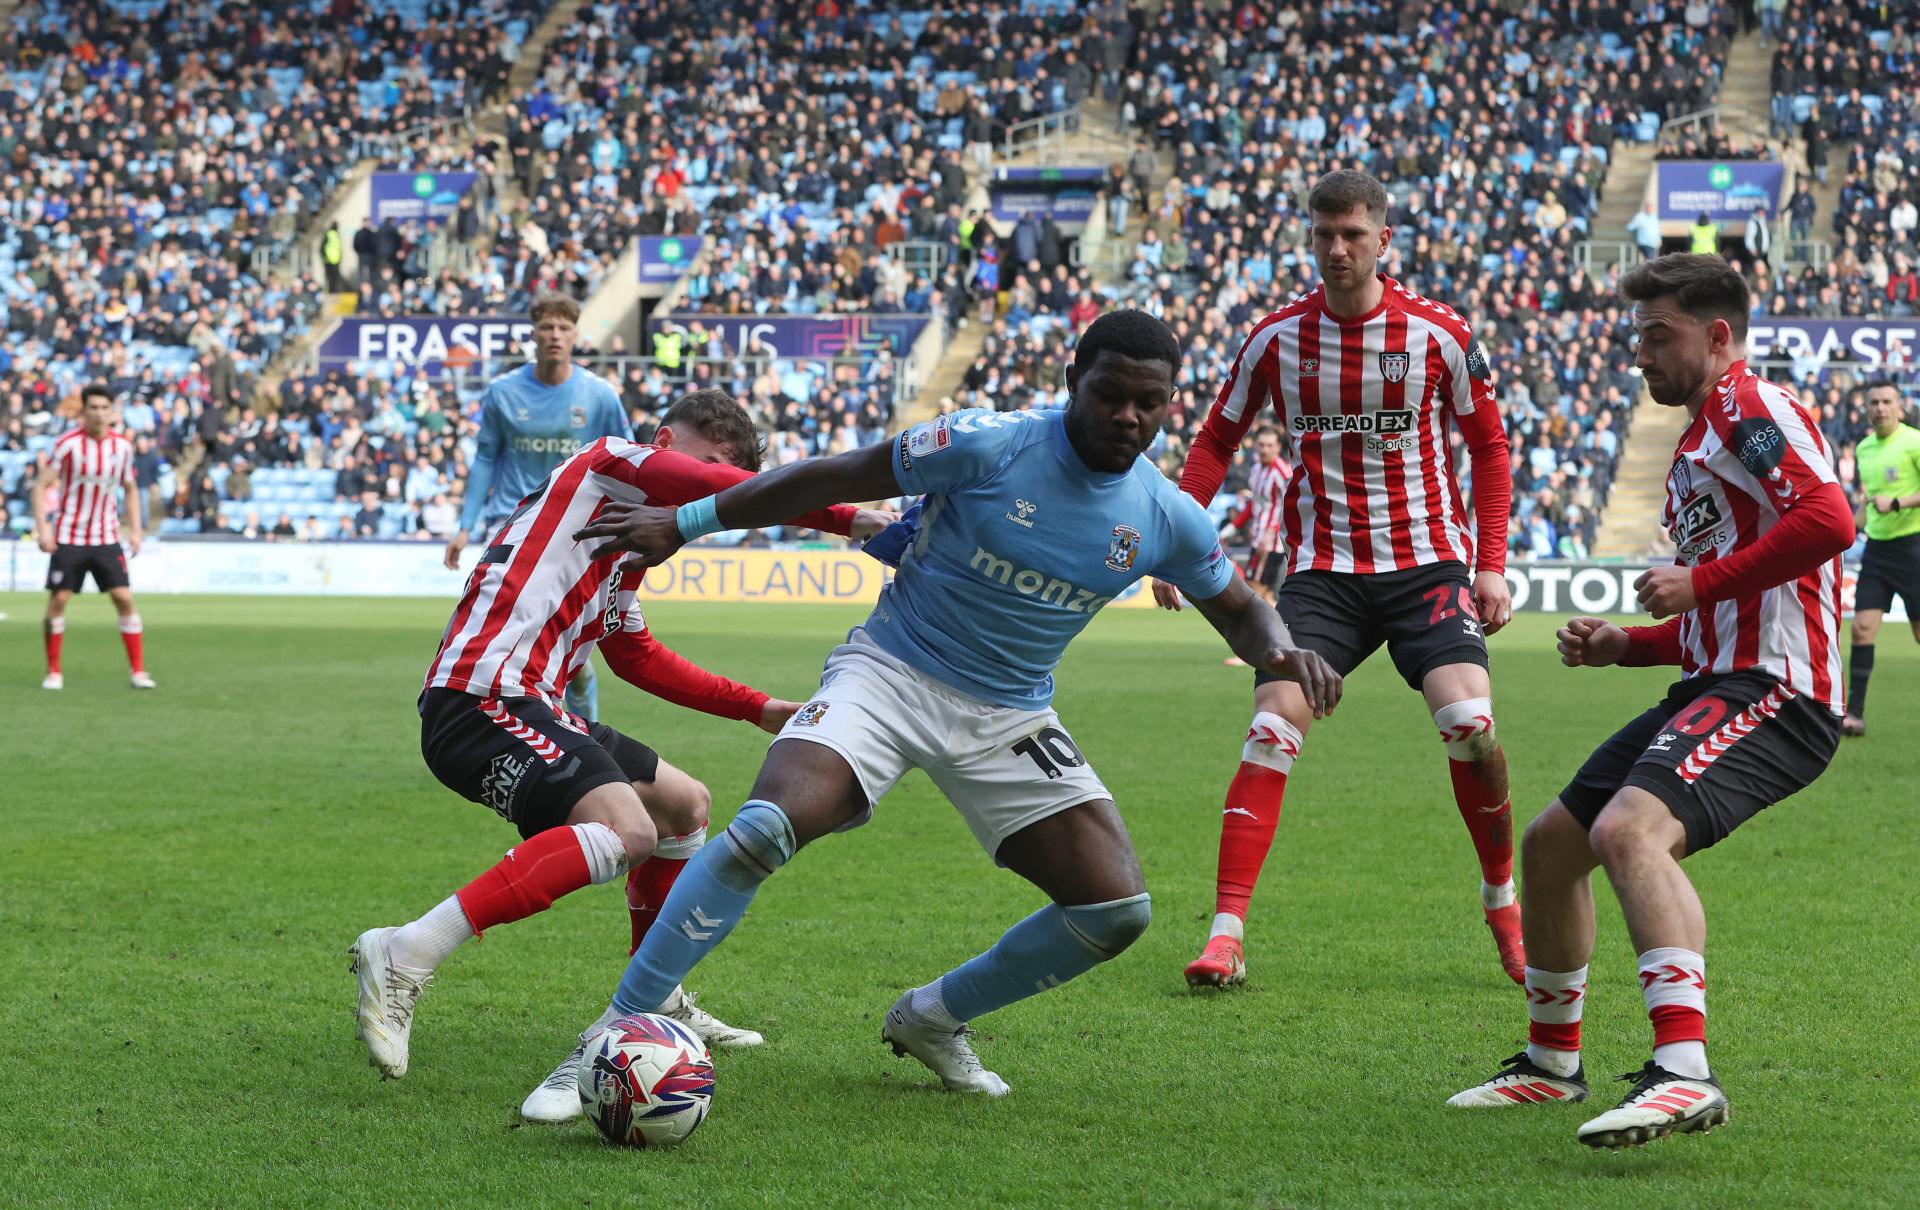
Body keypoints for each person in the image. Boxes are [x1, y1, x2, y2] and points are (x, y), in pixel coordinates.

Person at [567, 310, 1343, 1096]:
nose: (1128, 417)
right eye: (1111, 394)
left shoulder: (1165, 514)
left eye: (1150, 403)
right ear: (1074, 381)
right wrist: (688, 521)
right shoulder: (988, 442)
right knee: (764, 828)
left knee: (1115, 911)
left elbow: (1241, 611)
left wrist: (1284, 651)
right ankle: (615, 1031)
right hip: (890, 673)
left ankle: (933, 1017)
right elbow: (836, 474)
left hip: (1010, 714)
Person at [348, 390, 894, 1109]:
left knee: (684, 805)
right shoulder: (611, 461)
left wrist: (756, 708)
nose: (713, 488)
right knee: (627, 830)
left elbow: (636, 657)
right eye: (709, 464)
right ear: (664, 442)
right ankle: (407, 950)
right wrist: (847, 517)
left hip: (533, 703)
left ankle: (655, 993)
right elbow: (715, 489)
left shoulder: (623, 547)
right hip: (480, 697)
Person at [1449, 254, 1854, 1149]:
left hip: (1781, 690)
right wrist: (1627, 645)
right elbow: (1722, 615)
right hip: (1718, 681)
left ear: (1718, 336)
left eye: (1658, 336)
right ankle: (1552, 1064)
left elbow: (1830, 521)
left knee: (1629, 832)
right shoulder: (1702, 437)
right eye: (1637, 337)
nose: (1640, 355)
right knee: (1551, 847)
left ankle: (1684, 1072)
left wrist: (1698, 581)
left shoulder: (1748, 406)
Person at [1154, 170, 1519, 989]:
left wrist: (1491, 564)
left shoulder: (1439, 334)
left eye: (1353, 234)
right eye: (1324, 234)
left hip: (1427, 566)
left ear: (1383, 239)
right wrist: (1176, 535)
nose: (1337, 249)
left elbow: (1489, 448)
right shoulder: (1275, 338)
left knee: (1470, 724)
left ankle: (1501, 898)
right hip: (1325, 574)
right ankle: (1225, 934)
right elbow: (1215, 441)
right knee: (1271, 726)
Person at [446, 292, 630, 724]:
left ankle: (579, 730)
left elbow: (629, 458)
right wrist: (465, 526)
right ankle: (504, 723)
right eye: (547, 327)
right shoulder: (503, 392)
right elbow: (485, 458)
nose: (555, 335)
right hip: (512, 527)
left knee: (570, 656)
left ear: (576, 334)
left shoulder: (600, 396)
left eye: (564, 328)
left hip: (575, 531)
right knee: (500, 640)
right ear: (533, 333)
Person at [33, 384, 153, 690]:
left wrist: (136, 530)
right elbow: (40, 486)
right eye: (93, 407)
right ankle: (53, 671)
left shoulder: (122, 447)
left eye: (104, 408)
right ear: (84, 411)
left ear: (112, 411)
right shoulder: (68, 445)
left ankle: (138, 671)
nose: (99, 413)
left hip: (106, 536)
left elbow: (130, 490)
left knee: (123, 598)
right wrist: (44, 530)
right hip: (69, 536)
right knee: (59, 600)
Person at [1842, 380, 1920, 736]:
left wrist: (1899, 503)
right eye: (1874, 402)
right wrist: (1846, 529)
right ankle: (1854, 715)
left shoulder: (1914, 441)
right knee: (1861, 628)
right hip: (1877, 549)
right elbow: (1870, 500)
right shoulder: (1864, 449)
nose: (1880, 408)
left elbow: (1890, 500)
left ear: (1899, 406)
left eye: (1887, 401)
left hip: (1914, 548)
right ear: (1867, 409)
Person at [1220, 425, 1291, 648]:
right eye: (1261, 444)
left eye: (1270, 445)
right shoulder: (1257, 469)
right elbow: (1253, 505)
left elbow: (1290, 505)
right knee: (1262, 596)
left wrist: (1271, 532)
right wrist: (1230, 531)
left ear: (1278, 447)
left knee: (1256, 595)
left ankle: (1263, 645)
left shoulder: (1283, 473)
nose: (1264, 449)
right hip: (1257, 539)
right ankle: (1284, 642)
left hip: (1270, 544)